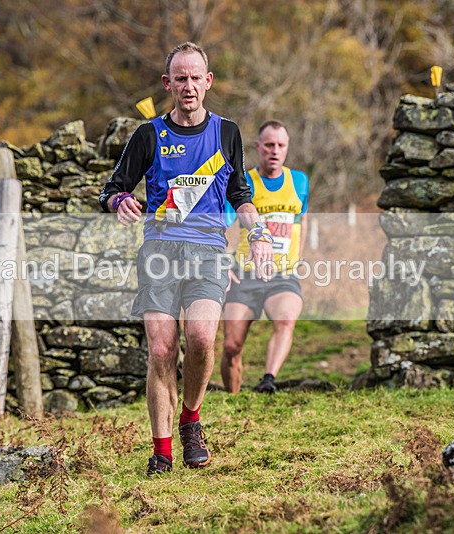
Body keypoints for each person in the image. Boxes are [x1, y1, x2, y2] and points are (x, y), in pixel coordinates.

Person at [99, 42, 274, 476]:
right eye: (180, 78)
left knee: (199, 339)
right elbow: (111, 188)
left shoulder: (227, 133)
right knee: (161, 349)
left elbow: (241, 197)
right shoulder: (148, 135)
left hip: (210, 250)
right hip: (160, 250)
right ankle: (161, 452)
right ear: (168, 84)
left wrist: (258, 234)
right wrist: (119, 200)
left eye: (196, 77)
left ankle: (190, 419)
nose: (189, 86)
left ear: (208, 81)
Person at [221, 120, 310, 394]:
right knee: (231, 346)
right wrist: (223, 260)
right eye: (269, 145)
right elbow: (223, 224)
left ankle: (268, 380)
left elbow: (301, 221)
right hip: (245, 274)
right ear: (258, 147)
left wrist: (297, 259)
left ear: (287, 148)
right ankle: (233, 396)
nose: (275, 150)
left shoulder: (300, 181)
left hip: (282, 275)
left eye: (281, 145)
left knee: (286, 320)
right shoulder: (243, 181)